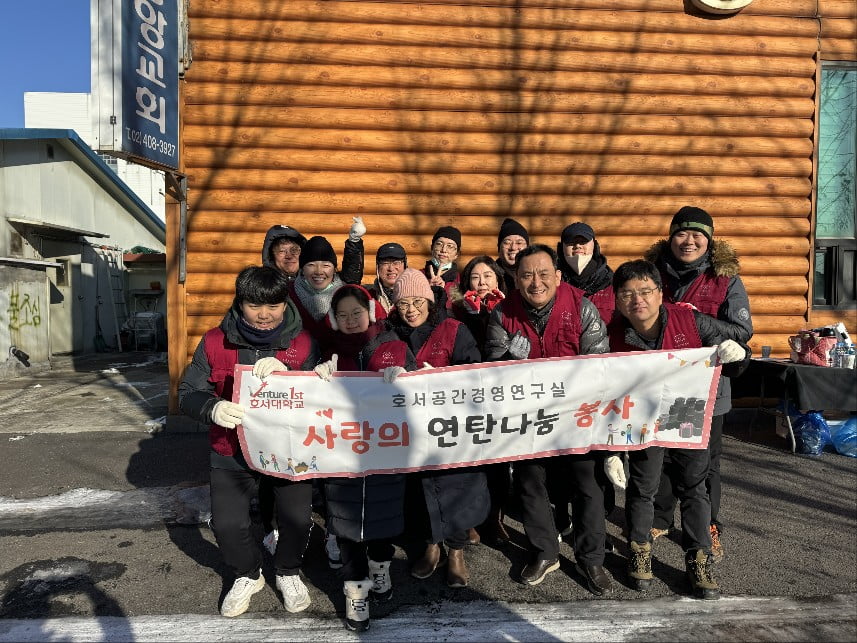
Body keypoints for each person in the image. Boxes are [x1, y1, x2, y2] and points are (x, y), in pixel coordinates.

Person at [178, 266, 319, 618]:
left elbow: (323, 396)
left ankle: (287, 571)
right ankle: (247, 573)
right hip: (230, 449)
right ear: (239, 303)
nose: (264, 314)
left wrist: (296, 378)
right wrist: (212, 407)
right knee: (227, 524)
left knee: (298, 519)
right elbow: (187, 392)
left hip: (287, 450)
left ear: (285, 303)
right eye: (254, 305)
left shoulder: (303, 343)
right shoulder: (214, 341)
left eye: (273, 305)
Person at [607, 259, 750, 600]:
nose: (637, 300)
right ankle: (639, 549)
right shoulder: (613, 334)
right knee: (644, 486)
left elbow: (737, 361)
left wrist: (738, 354)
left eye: (645, 291)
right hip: (641, 418)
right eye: (627, 294)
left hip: (686, 412)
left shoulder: (691, 320)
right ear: (617, 299)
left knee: (694, 485)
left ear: (659, 294)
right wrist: (611, 447)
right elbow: (603, 391)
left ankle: (698, 556)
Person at [484, 244, 618, 595]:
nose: (536, 282)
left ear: (558, 276)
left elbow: (598, 363)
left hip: (577, 416)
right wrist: (512, 356)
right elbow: (494, 367)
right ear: (515, 278)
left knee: (588, 486)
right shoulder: (502, 314)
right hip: (529, 419)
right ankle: (545, 551)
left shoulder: (582, 307)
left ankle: (591, 559)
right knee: (529, 482)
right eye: (527, 275)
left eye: (544, 274)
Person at [644, 206, 753, 561]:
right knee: (660, 453)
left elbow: (741, 332)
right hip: (659, 384)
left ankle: (709, 525)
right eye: (681, 234)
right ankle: (660, 517)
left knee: (705, 463)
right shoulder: (652, 273)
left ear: (709, 241)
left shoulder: (726, 280)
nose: (688, 241)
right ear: (670, 236)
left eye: (697, 235)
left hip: (708, 387)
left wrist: (696, 321)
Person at [314, 283, 417, 632]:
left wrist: (407, 377)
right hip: (342, 452)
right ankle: (355, 589)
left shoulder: (394, 346)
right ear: (333, 319)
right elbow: (309, 401)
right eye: (341, 315)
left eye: (356, 313)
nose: (350, 320)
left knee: (383, 515)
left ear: (370, 312)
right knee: (343, 521)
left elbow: (423, 389)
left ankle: (380, 566)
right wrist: (316, 378)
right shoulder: (327, 352)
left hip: (385, 451)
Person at [387, 268, 487, 587]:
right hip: (409, 431)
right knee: (419, 490)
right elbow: (373, 365)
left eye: (418, 301)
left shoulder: (453, 328)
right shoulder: (389, 333)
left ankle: (455, 551)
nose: (411, 309)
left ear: (430, 301)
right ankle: (431, 546)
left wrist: (444, 379)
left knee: (456, 485)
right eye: (404, 303)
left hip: (451, 427)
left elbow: (474, 372)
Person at [448, 255, 512, 543]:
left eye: (488, 275)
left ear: (498, 279)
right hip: (468, 395)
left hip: (501, 394)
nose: (482, 281)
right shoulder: (457, 311)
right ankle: (471, 518)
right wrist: (473, 316)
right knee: (471, 459)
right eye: (475, 276)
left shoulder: (510, 309)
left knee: (499, 460)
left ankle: (495, 518)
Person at [261, 217, 366, 283]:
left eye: (294, 250)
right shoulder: (262, 284)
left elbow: (350, 280)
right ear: (272, 255)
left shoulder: (317, 280)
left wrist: (354, 241)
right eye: (282, 251)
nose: (289, 255)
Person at [557, 221, 615, 324]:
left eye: (583, 242)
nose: (578, 246)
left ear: (595, 245)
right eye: (571, 242)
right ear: (561, 248)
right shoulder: (553, 283)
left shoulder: (612, 283)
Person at [423, 225, 462, 306]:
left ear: (457, 254)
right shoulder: (418, 275)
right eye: (439, 244)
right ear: (432, 248)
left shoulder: (461, 280)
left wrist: (444, 289)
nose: (443, 250)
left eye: (450, 246)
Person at [365, 242, 407, 313]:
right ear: (378, 267)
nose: (391, 268)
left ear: (405, 266)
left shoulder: (416, 295)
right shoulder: (368, 297)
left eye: (396, 262)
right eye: (385, 263)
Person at [496, 217, 529, 292]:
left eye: (519, 243)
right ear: (499, 248)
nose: (513, 248)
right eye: (507, 243)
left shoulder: (535, 274)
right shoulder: (491, 275)